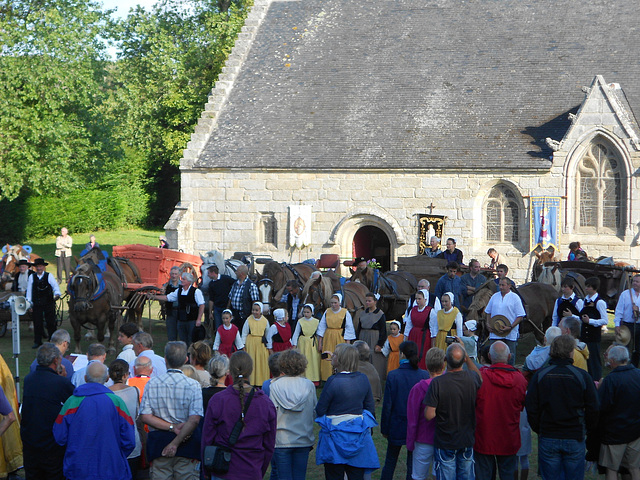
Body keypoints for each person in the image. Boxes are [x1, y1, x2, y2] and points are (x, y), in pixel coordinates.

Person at [526, 334, 599, 480]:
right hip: (572, 435)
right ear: (571, 351)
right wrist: (586, 428)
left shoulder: (541, 375)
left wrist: (539, 427)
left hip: (550, 435)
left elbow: (531, 406)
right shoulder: (582, 376)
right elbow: (594, 408)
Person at [202, 351, 277, 480]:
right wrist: (260, 471)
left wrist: (206, 470)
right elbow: (269, 445)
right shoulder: (266, 404)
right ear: (251, 370)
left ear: (229, 371)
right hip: (251, 469)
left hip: (223, 469)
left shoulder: (219, 400)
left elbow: (207, 438)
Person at [54, 362, 135, 480]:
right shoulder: (116, 402)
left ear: (85, 378)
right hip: (111, 468)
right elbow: (129, 439)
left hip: (79, 468)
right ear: (107, 378)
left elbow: (59, 435)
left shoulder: (72, 402)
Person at [140, 341, 203, 480]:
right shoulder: (193, 385)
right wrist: (175, 432)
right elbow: (194, 419)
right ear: (186, 359)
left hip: (160, 444)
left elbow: (145, 416)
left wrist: (172, 432)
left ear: (165, 359)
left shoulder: (153, 383)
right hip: (187, 444)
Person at [315, 344, 379, 480]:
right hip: (357, 436)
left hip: (334, 437)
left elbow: (320, 409)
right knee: (356, 474)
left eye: (335, 354)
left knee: (334, 474)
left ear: (340, 359)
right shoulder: (363, 379)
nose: (332, 356)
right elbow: (370, 407)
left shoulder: (333, 381)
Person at [425, 342, 482, 480]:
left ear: (445, 360)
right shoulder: (471, 378)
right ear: (464, 360)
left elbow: (429, 414)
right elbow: (479, 376)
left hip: (445, 441)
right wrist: (467, 356)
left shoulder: (437, 383)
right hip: (466, 439)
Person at [474, 341, 527, 480]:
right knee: (508, 473)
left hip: (484, 436)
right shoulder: (519, 379)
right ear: (509, 356)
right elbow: (521, 405)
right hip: (508, 437)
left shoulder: (481, 377)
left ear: (490, 357)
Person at [21, 343, 75, 480]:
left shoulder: (29, 380)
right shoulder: (59, 383)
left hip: (30, 443)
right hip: (51, 445)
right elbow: (74, 401)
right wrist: (62, 378)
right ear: (56, 360)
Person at [380, 341, 429, 480]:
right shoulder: (423, 375)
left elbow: (388, 405)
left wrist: (385, 428)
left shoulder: (393, 376)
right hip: (416, 426)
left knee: (390, 460)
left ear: (402, 354)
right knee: (412, 463)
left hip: (397, 424)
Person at [269, 349, 317, 480]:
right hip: (303, 438)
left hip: (281, 439)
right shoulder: (309, 385)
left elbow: (272, 414)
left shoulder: (275, 386)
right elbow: (314, 411)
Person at [598, 346, 640, 480]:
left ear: (612, 360)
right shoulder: (638, 375)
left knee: (611, 469)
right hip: (635, 431)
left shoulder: (610, 380)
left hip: (614, 433)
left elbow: (602, 407)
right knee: (634, 468)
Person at [407, 348, 446, 480]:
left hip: (423, 439)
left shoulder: (418, 388)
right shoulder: (449, 386)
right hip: (444, 438)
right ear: (443, 365)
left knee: (418, 475)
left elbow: (412, 419)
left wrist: (410, 442)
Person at [108, 359, 143, 478]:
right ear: (125, 375)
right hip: (132, 442)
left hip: (111, 444)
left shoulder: (105, 393)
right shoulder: (134, 391)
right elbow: (137, 415)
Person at [153, 272, 205, 347]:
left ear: (189, 281)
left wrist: (199, 319)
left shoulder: (196, 292)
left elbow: (201, 305)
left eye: (184, 279)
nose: (182, 280)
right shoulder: (179, 291)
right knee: (183, 340)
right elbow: (168, 297)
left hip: (192, 321)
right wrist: (154, 297)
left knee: (192, 340)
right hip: (181, 320)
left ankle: (192, 355)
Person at [484, 277, 526, 365]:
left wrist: (510, 327)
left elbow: (520, 316)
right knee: (494, 355)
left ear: (509, 286)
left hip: (510, 333)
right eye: (500, 285)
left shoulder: (515, 297)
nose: (501, 287)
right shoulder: (495, 296)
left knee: (510, 356)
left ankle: (510, 374)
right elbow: (488, 312)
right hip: (495, 332)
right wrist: (488, 323)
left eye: (503, 285)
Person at [317, 293, 356, 381]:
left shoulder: (345, 312)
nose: (333, 305)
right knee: (327, 356)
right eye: (332, 303)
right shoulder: (327, 311)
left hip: (340, 336)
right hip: (328, 336)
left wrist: (347, 345)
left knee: (339, 356)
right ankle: (326, 377)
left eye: (335, 303)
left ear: (340, 302)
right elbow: (322, 327)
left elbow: (349, 328)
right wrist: (320, 343)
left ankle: (340, 375)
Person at [576, 276, 608, 380]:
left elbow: (605, 320)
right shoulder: (585, 300)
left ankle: (596, 380)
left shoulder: (600, 302)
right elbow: (582, 316)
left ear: (594, 288)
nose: (586, 289)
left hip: (593, 337)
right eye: (586, 286)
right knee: (586, 360)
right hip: (584, 336)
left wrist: (590, 321)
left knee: (594, 360)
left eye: (588, 287)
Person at [26, 257, 61, 349]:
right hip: (37, 303)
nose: (39, 268)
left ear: (43, 267)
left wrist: (57, 294)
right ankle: (37, 341)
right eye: (37, 267)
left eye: (40, 266)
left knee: (51, 322)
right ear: (35, 268)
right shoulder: (31, 277)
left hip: (48, 302)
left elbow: (55, 286)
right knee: (37, 323)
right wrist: (29, 303)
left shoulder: (49, 276)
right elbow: (29, 291)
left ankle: (52, 340)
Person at [404, 289, 438, 370]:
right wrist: (405, 340)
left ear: (425, 299)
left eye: (419, 299)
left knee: (422, 356)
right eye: (416, 299)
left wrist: (433, 345)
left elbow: (433, 329)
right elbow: (408, 326)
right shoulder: (413, 310)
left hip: (424, 337)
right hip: (413, 336)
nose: (417, 301)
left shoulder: (430, 311)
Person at [357, 292, 388, 381]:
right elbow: (359, 327)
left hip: (374, 337)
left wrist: (380, 344)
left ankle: (374, 378)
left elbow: (383, 330)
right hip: (363, 335)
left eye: (369, 301)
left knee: (373, 357)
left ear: (375, 302)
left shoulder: (380, 314)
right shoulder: (363, 313)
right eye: (366, 301)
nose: (367, 303)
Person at [241, 301, 270, 386]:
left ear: (260, 311)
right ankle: (251, 381)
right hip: (251, 344)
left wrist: (268, 346)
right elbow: (244, 333)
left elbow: (268, 334)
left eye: (257, 310)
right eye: (253, 310)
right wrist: (243, 345)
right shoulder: (249, 320)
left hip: (261, 345)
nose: (254, 312)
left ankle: (261, 382)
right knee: (252, 362)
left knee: (261, 363)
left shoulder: (265, 321)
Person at [291, 303, 320, 383]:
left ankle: (314, 379)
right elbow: (296, 333)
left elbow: (318, 333)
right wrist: (294, 344)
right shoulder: (300, 321)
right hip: (303, 343)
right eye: (304, 312)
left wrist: (320, 344)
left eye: (308, 312)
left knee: (313, 360)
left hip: (312, 343)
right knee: (303, 359)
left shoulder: (316, 321)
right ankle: (303, 377)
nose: (306, 314)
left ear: (312, 312)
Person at [615, 274, 640, 367]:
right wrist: (617, 324)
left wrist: (638, 311)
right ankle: (623, 367)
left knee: (637, 350)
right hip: (627, 325)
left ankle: (634, 368)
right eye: (634, 281)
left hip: (639, 325)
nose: (635, 283)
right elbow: (619, 310)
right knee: (624, 349)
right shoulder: (625, 294)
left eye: (637, 282)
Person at [228, 264, 260, 330]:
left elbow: (255, 301)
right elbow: (230, 297)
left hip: (245, 315)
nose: (235, 273)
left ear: (241, 273)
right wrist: (228, 309)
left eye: (237, 271)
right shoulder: (235, 284)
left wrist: (253, 314)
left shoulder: (251, 285)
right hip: (234, 314)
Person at [206, 265, 235, 334]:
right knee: (218, 328)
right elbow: (211, 299)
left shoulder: (226, 279)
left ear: (213, 273)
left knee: (228, 327)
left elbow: (235, 285)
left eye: (209, 273)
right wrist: (210, 312)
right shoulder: (211, 284)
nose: (208, 275)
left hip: (227, 308)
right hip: (217, 309)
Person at [162, 266, 181, 342]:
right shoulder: (165, 286)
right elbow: (162, 299)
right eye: (172, 274)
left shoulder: (183, 286)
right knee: (171, 334)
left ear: (179, 275)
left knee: (182, 333)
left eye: (175, 274)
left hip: (181, 312)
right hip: (170, 312)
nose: (174, 276)